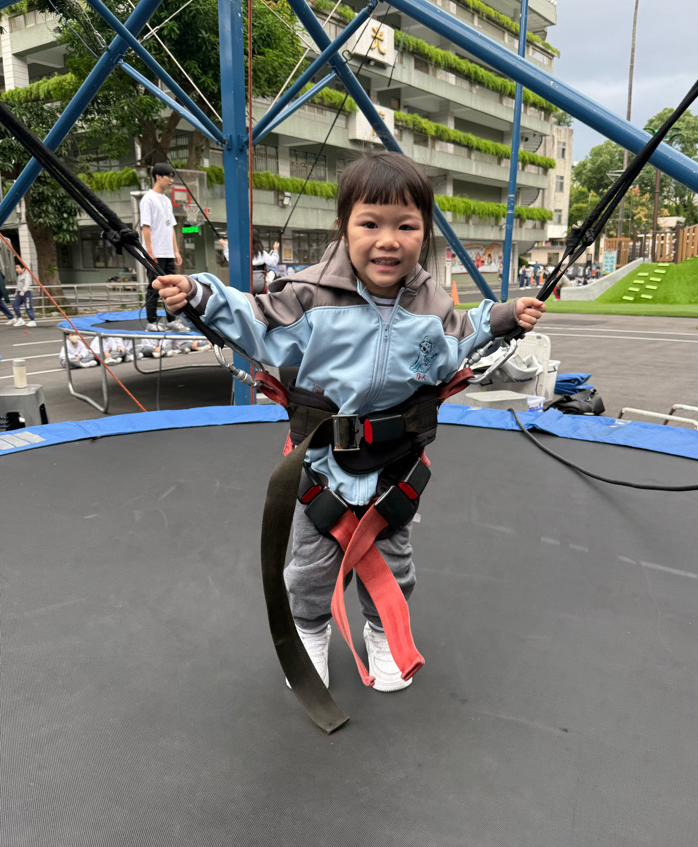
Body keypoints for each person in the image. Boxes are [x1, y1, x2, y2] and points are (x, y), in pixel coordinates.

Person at [153, 153, 545, 693]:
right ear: (344, 228)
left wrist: (504, 317)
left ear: (424, 233)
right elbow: (255, 319)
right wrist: (200, 295)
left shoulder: (431, 305)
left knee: (393, 559)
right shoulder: (311, 296)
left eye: (406, 227)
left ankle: (382, 631)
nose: (388, 241)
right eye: (370, 224)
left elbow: (462, 334)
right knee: (312, 567)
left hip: (394, 467)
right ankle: (309, 631)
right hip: (323, 466)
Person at [140, 162, 187, 333]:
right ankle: (152, 321)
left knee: (172, 288)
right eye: (169, 176)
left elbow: (171, 227)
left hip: (168, 252)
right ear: (158, 176)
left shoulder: (167, 201)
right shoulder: (148, 199)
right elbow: (146, 227)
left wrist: (176, 251)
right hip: (155, 252)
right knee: (154, 287)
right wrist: (149, 252)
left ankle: (172, 320)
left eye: (173, 177)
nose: (171, 180)